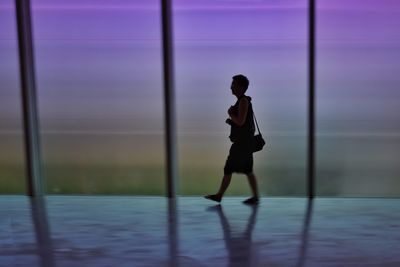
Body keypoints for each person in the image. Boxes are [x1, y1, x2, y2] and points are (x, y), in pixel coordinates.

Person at [205, 74, 260, 205]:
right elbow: (243, 122)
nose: (231, 87)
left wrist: (230, 114)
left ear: (241, 87)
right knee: (247, 169)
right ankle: (255, 196)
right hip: (245, 142)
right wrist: (231, 121)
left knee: (229, 168)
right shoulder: (243, 101)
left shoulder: (243, 101)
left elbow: (240, 122)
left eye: (233, 84)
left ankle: (219, 195)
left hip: (241, 143)